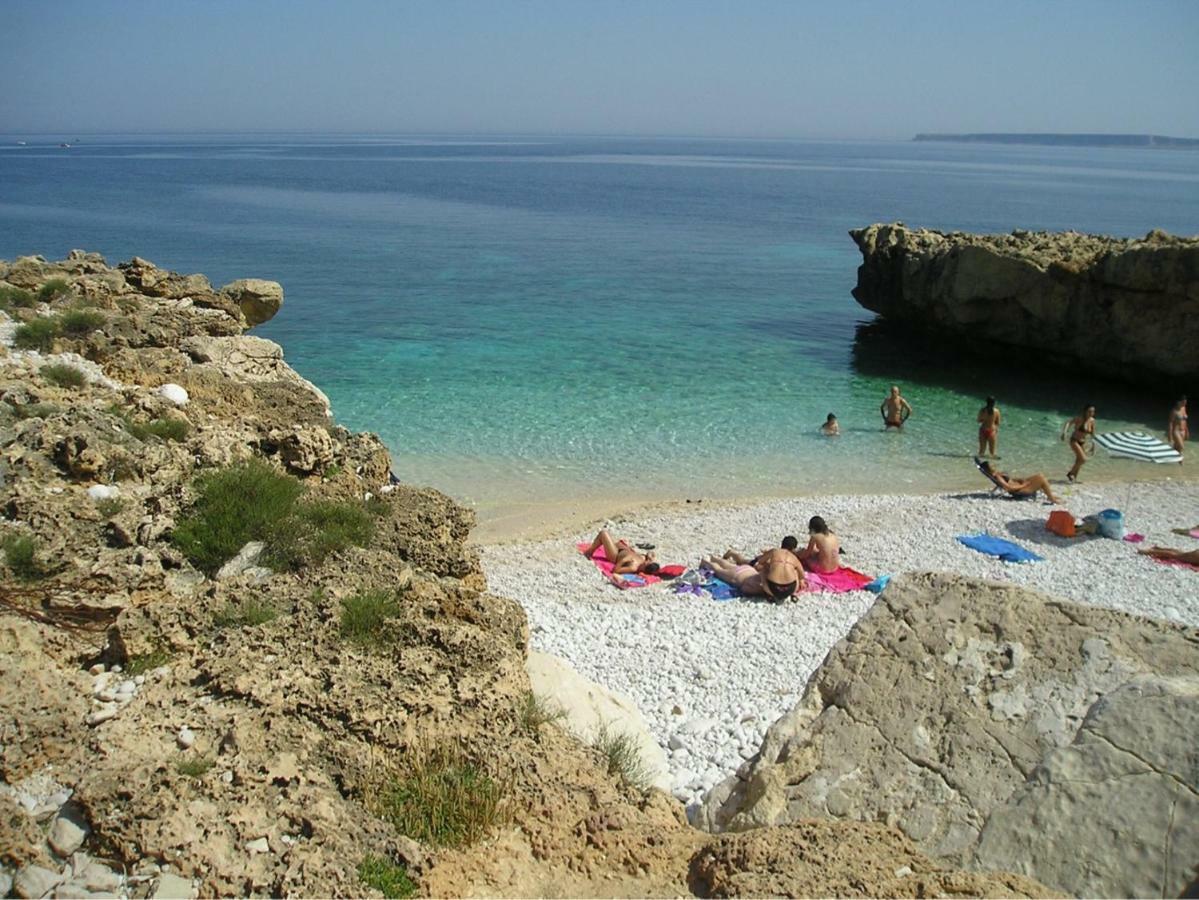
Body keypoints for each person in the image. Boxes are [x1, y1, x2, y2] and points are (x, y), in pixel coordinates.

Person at [702, 547, 805, 602]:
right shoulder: (793, 557)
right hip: (789, 588)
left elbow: (760, 563)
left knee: (724, 568)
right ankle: (709, 561)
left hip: (760, 579)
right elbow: (801, 575)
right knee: (722, 570)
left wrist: (768, 567)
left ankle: (711, 558)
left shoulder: (775, 552)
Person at [980, 460, 1063, 504]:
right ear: (989, 469)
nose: (994, 466)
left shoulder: (997, 474)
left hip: (1020, 486)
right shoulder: (997, 477)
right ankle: (1051, 498)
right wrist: (1023, 485)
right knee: (1041, 479)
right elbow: (1008, 487)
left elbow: (1009, 481)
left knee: (1039, 475)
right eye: (991, 466)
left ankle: (1050, 495)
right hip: (1020, 491)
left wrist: (1020, 480)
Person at [583, 529, 660, 576]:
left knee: (604, 533)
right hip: (623, 549)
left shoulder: (633, 567)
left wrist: (624, 560)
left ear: (645, 567)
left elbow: (616, 571)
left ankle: (590, 551)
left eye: (648, 563)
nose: (648, 561)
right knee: (615, 540)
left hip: (615, 555)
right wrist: (649, 555)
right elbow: (651, 553)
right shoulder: (645, 560)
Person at [1061, 404, 1096, 482]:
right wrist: (1064, 432)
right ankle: (1070, 473)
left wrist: (1093, 445)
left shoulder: (1092, 421)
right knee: (1083, 459)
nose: (1091, 413)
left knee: (1079, 461)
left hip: (1083, 442)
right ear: (1085, 411)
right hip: (1074, 440)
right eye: (1089, 411)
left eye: (1093, 412)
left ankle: (1073, 479)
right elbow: (1068, 423)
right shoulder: (1079, 418)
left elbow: (1093, 434)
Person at [722, 535, 798, 567]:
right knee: (742, 561)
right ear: (791, 548)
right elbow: (761, 561)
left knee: (742, 561)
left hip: (760, 560)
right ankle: (731, 553)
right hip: (757, 562)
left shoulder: (776, 551)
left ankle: (732, 554)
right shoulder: (776, 552)